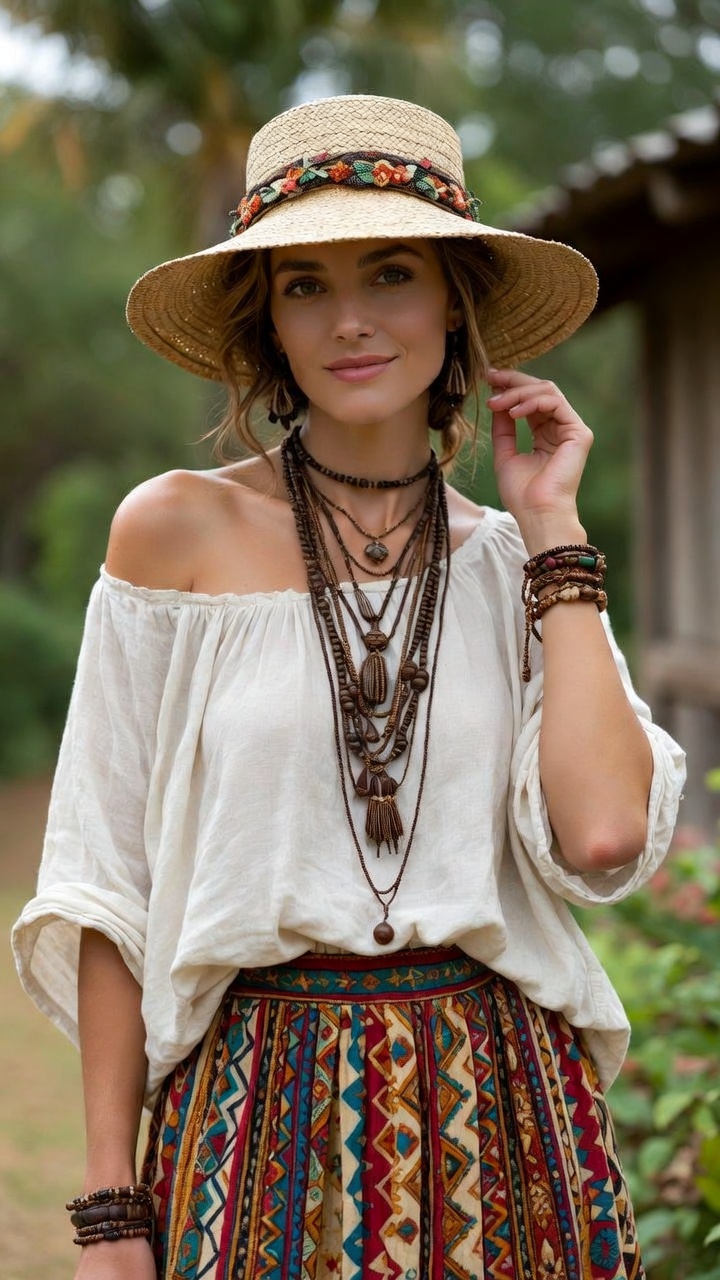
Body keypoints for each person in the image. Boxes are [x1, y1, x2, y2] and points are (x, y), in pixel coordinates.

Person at [12, 94, 685, 1280]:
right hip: (250, 1119)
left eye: (392, 273)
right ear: (269, 320)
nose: (351, 320)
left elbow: (603, 833)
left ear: (455, 301)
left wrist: (553, 533)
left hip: (506, 1121)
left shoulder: (517, 563)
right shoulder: (172, 532)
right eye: (305, 285)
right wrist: (111, 1208)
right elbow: (106, 881)